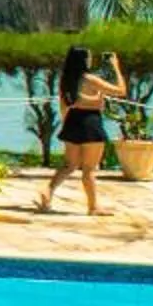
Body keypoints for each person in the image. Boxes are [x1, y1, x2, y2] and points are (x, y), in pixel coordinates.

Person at [37, 44, 127, 216]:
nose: (91, 60)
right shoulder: (90, 79)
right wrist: (116, 67)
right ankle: (93, 207)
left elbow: (64, 106)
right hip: (90, 124)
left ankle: (48, 190)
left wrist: (66, 125)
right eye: (89, 57)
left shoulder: (65, 81)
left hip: (72, 122)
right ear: (84, 60)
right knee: (89, 169)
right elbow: (121, 91)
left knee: (69, 165)